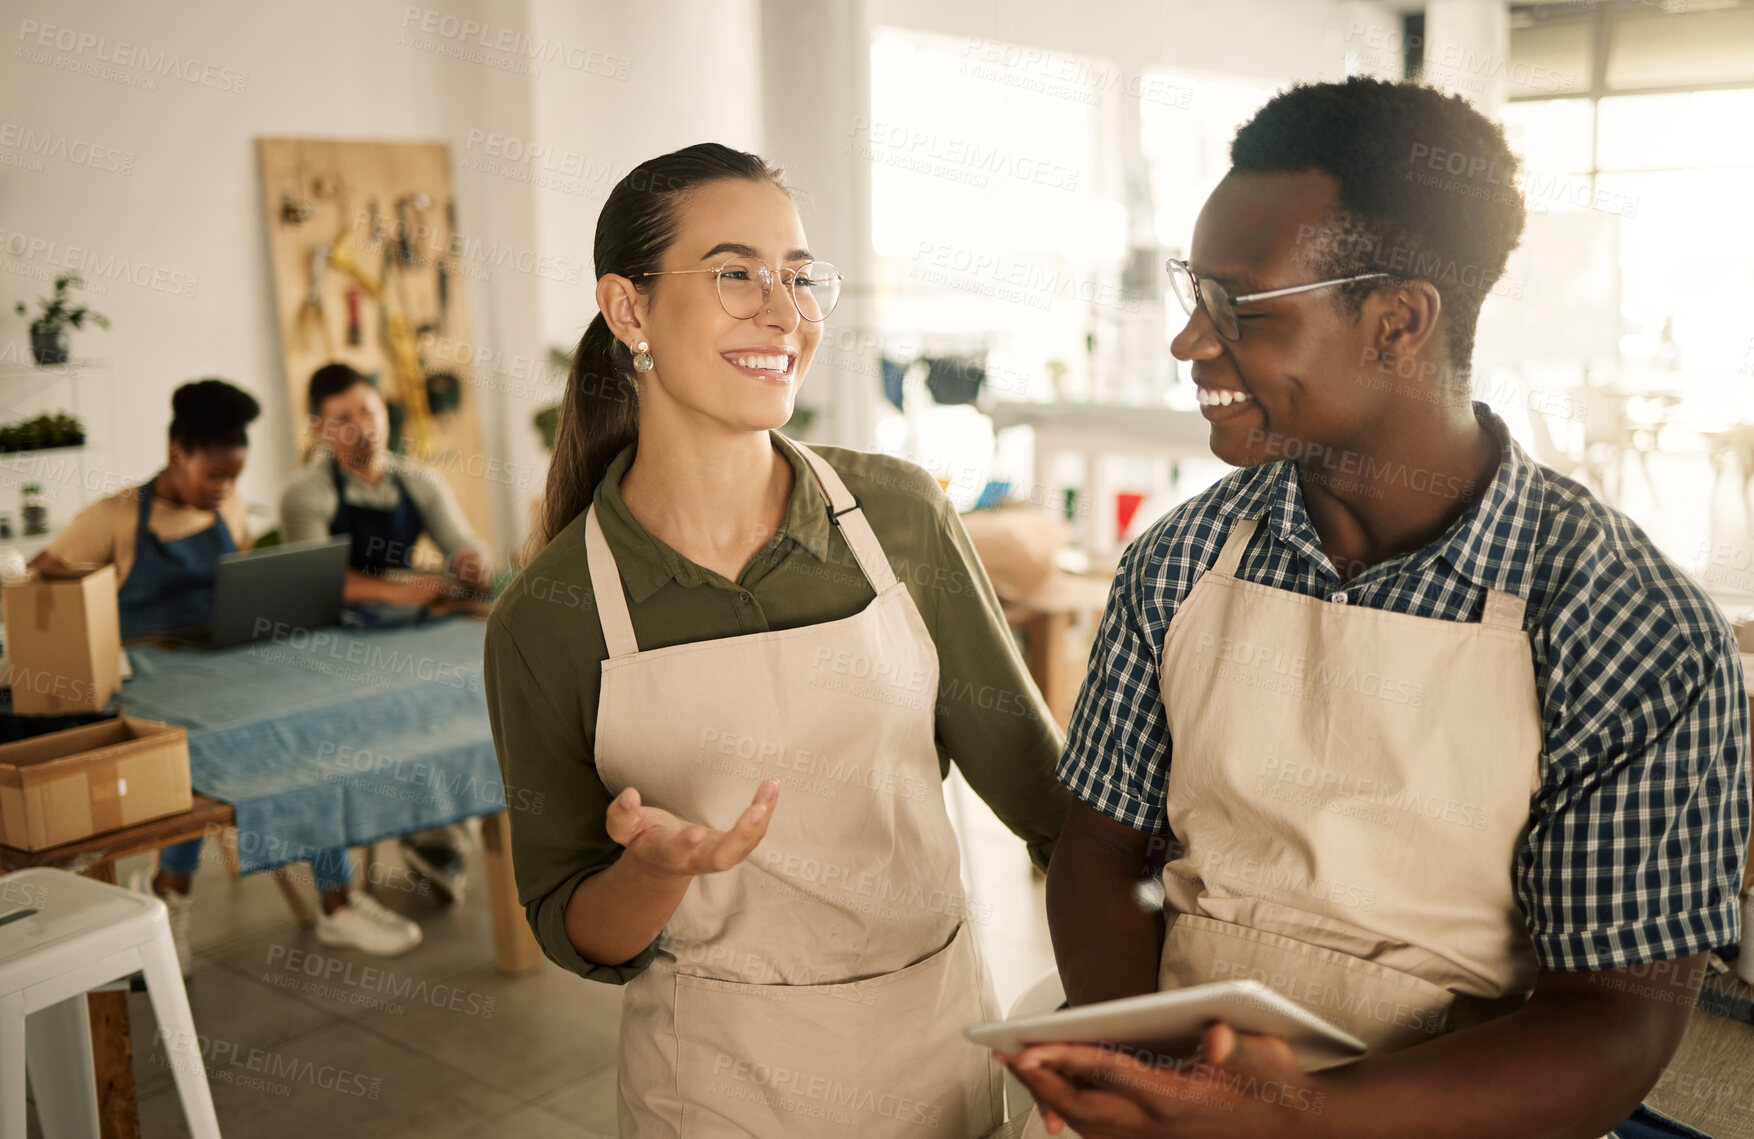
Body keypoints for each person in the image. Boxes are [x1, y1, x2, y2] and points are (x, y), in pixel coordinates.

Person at [1005, 79, 1749, 1139]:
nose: (1188, 343)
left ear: (1396, 322)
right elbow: (1095, 852)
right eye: (1192, 292)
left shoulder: (1625, 623)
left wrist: (1288, 1114)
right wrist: (1154, 1075)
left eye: (1238, 306)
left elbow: (1613, 1024)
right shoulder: (1175, 563)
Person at [484, 142, 1071, 1138]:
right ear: (628, 311)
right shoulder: (547, 615)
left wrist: (1103, 1038)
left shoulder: (897, 516)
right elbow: (568, 923)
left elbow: (1046, 801)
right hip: (714, 1085)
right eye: (734, 273)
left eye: (798, 276)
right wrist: (658, 869)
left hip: (934, 1056)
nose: (782, 309)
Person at [31, 379, 423, 969]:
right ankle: (173, 896)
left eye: (234, 478)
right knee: (197, 748)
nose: (225, 490)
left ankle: (337, 903)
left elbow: (240, 591)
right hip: (148, 679)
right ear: (175, 456)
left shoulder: (228, 509)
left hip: (220, 664)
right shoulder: (113, 517)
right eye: (213, 476)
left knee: (309, 727)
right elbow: (42, 587)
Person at [280, 362, 493, 900]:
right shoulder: (306, 494)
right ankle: (426, 830)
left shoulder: (418, 481)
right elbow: (312, 583)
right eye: (344, 417)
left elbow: (466, 544)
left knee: (466, 693)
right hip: (334, 642)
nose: (363, 425)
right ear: (321, 429)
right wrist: (403, 591)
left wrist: (470, 564)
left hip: (408, 630)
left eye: (369, 409)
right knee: (383, 718)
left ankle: (440, 830)